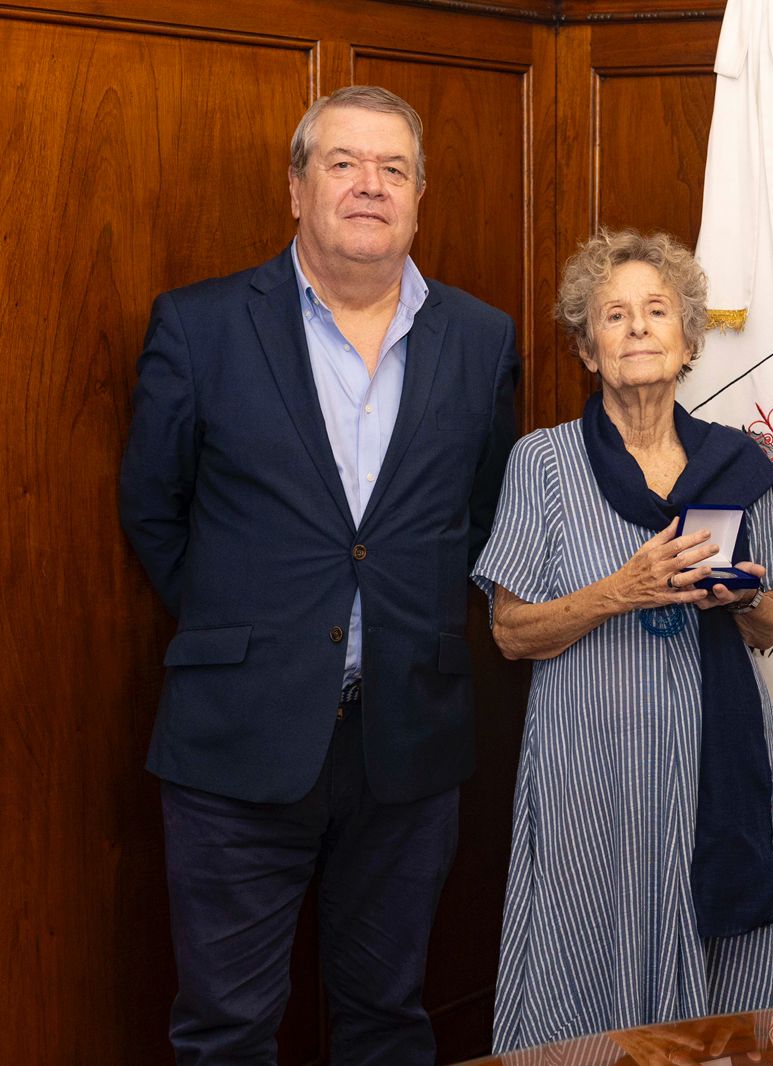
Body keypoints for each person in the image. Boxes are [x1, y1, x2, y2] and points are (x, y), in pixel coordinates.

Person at [119, 85, 520, 1063]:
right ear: (297, 189)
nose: (369, 186)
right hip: (238, 740)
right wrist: (253, 630)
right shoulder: (200, 325)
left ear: (420, 198)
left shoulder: (481, 338)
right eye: (343, 163)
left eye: (393, 169)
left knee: (387, 1019)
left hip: (407, 744)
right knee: (226, 1029)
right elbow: (152, 507)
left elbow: (477, 514)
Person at [474, 228, 773, 1051]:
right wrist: (619, 591)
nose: (637, 328)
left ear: (689, 339)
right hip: (593, 776)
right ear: (587, 350)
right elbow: (510, 633)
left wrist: (731, 593)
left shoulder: (737, 462)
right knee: (589, 975)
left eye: (657, 311)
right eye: (614, 315)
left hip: (723, 758)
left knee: (730, 991)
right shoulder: (544, 463)